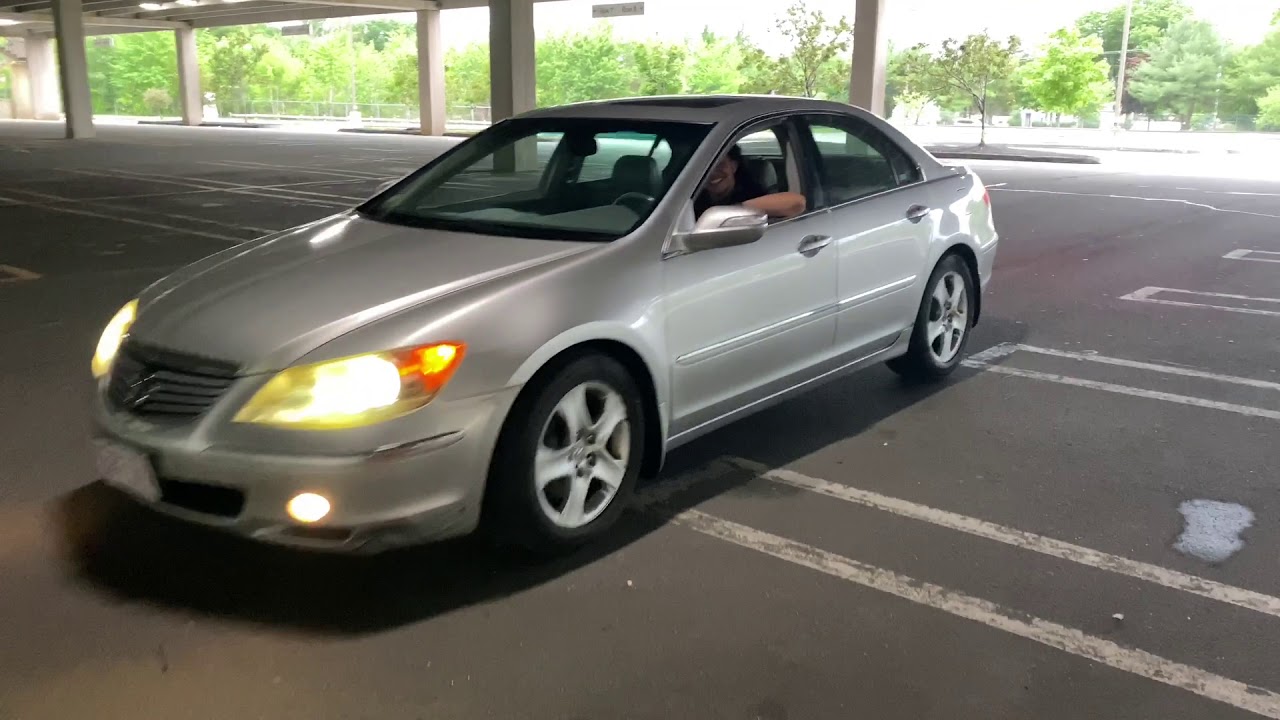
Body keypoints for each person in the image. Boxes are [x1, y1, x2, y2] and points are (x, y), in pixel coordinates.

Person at [693, 145, 807, 220]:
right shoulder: (690, 199)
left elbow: (798, 203)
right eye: (706, 168)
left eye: (720, 165)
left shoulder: (753, 195)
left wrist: (730, 212)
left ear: (733, 166)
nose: (712, 173)